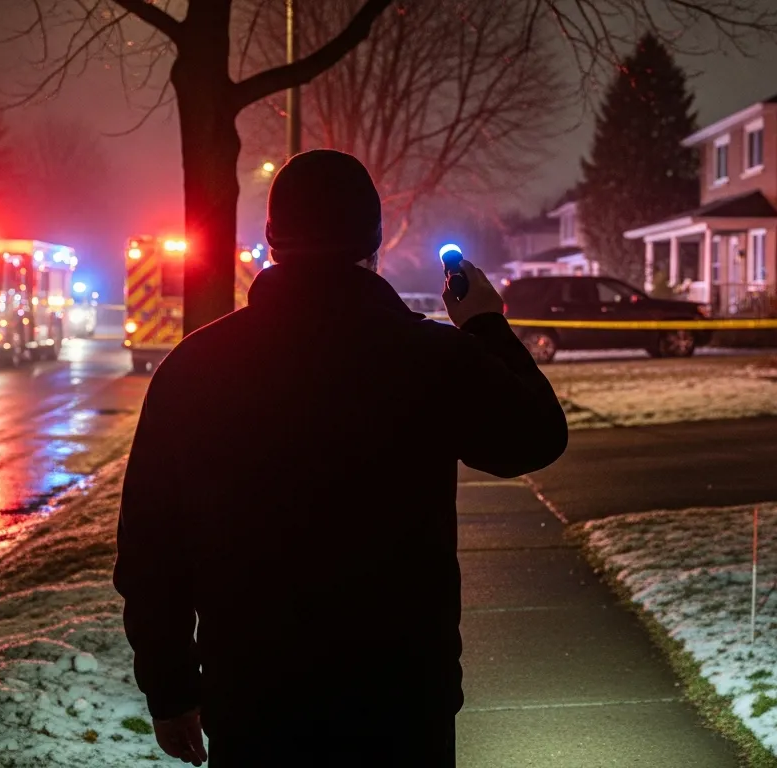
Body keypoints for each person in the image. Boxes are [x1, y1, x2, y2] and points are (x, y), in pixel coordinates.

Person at [114, 150, 568, 766]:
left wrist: (170, 689)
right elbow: (535, 437)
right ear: (373, 243)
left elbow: (151, 547)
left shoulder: (193, 368)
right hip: (399, 698)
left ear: (273, 241)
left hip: (255, 698)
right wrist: (485, 326)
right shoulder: (428, 358)